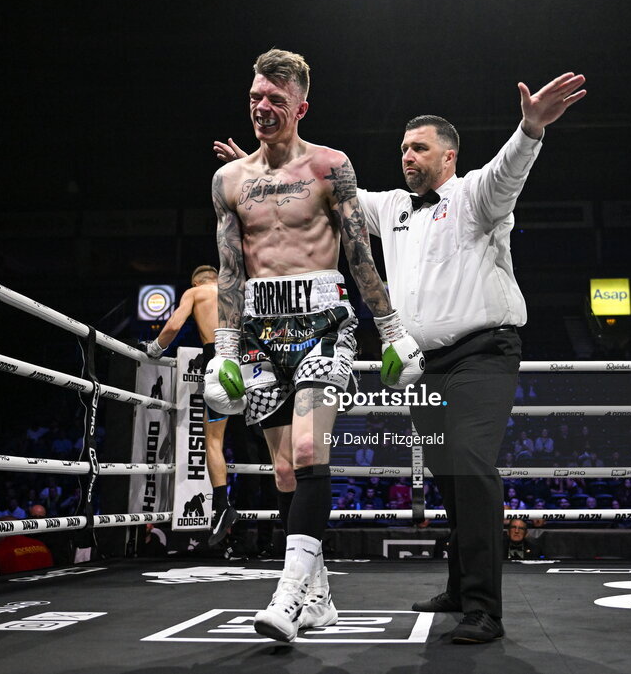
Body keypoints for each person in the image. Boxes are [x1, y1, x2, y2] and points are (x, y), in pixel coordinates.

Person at [217, 70, 586, 644]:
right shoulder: (388, 206)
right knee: (447, 474)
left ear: (449, 156)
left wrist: (530, 129)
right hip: (424, 364)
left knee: (469, 463)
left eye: (419, 148)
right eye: (403, 149)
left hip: (484, 353)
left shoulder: (475, 197)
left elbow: (508, 173)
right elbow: (317, 191)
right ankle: (461, 587)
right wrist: (265, 171)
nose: (407, 157)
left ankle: (485, 607)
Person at [205, 48, 423, 643]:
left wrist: (393, 331)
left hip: (324, 323)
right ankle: (321, 595)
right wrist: (224, 348)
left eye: (276, 98)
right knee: (281, 472)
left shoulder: (331, 166)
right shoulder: (230, 179)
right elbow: (229, 269)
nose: (263, 106)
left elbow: (359, 254)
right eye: (256, 96)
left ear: (302, 105)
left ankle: (288, 592)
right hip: (258, 329)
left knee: (306, 451)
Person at [143, 264, 240, 546]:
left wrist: (154, 349)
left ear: (195, 281)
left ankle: (222, 507)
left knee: (213, 441)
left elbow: (173, 325)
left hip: (220, 361)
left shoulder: (196, 293)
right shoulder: (236, 291)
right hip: (250, 361)